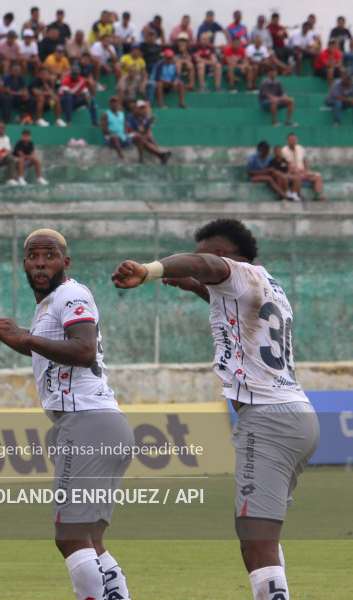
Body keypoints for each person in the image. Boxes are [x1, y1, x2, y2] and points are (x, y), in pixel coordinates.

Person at [111, 218, 319, 600]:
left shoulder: (227, 269)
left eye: (205, 254)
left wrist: (151, 271)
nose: (199, 261)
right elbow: (231, 304)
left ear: (221, 255)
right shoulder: (268, 283)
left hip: (268, 420)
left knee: (254, 542)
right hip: (298, 414)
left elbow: (202, 265)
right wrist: (194, 286)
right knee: (264, 533)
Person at [0, 228, 134, 600]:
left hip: (87, 423)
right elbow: (40, 347)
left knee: (70, 536)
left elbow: (83, 349)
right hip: (106, 424)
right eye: (33, 256)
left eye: (49, 256)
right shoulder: (51, 303)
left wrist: (27, 338)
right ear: (24, 263)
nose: (40, 263)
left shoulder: (71, 293)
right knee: (89, 540)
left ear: (64, 262)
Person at [282, 132, 325, 201]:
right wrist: (302, 171)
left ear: (296, 140)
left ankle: (317, 196)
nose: (292, 141)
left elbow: (304, 161)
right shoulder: (284, 150)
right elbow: (288, 165)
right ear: (287, 141)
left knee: (318, 176)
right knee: (296, 173)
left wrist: (307, 171)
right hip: (293, 173)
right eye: (290, 139)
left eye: (294, 139)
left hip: (303, 173)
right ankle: (299, 195)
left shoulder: (300, 148)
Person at [126, 99, 170, 164]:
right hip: (133, 138)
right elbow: (130, 131)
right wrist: (144, 136)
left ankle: (162, 157)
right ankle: (159, 155)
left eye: (143, 108)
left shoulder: (144, 118)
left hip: (143, 138)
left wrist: (150, 138)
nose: (141, 109)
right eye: (140, 108)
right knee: (141, 139)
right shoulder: (130, 117)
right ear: (135, 108)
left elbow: (148, 131)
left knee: (153, 143)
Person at [100, 96, 131, 160]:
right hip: (110, 137)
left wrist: (125, 132)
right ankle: (122, 157)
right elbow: (104, 129)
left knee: (139, 137)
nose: (114, 104)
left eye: (115, 102)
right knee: (114, 138)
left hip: (122, 135)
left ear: (118, 104)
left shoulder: (122, 114)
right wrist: (113, 134)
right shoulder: (105, 114)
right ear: (109, 105)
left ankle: (141, 159)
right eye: (112, 103)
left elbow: (125, 125)